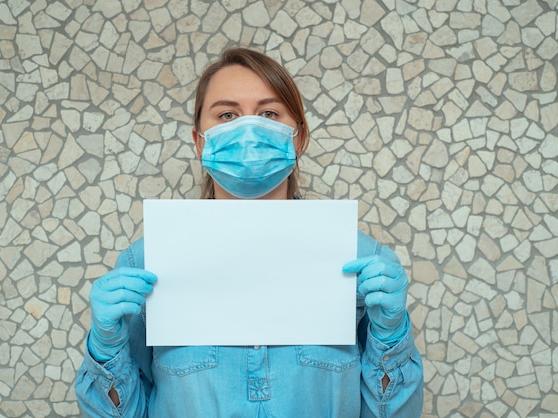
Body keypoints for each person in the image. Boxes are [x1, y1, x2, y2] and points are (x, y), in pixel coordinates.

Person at [75, 47, 423, 417]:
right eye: (227, 115)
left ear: (298, 138)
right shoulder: (146, 263)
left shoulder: (362, 261)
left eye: (269, 113)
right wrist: (106, 347)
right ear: (199, 142)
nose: (248, 130)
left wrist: (391, 335)